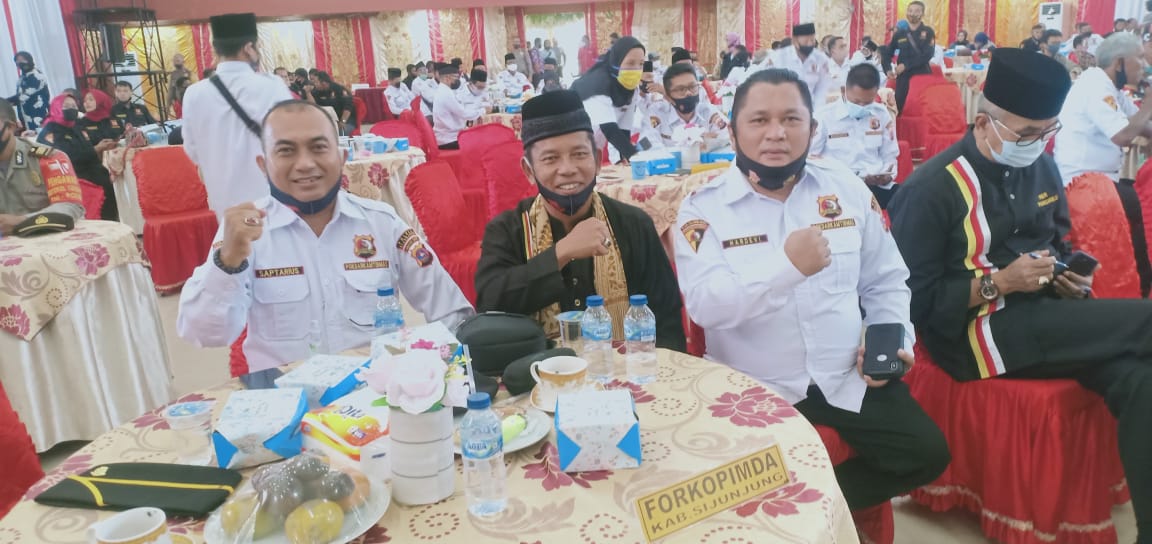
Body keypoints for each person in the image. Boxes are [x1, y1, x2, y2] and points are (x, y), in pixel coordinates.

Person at [888, 48, 1152, 544]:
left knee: (1141, 377)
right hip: (973, 333)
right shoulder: (930, 188)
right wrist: (1001, 282)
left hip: (1044, 311)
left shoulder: (1042, 166)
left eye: (1047, 131)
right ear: (983, 122)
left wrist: (1068, 275)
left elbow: (1058, 242)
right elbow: (913, 302)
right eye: (1027, 133)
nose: (1037, 143)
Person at [675, 68, 949, 511]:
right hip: (756, 387)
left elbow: (885, 279)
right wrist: (786, 269)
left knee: (928, 454)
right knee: (729, 486)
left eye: (791, 119)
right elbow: (706, 305)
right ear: (732, 131)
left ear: (813, 127)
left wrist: (892, 336)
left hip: (844, 375)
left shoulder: (845, 188)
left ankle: (811, 511)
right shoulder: (702, 209)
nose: (776, 133)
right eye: (759, 120)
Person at [178, 100, 473, 373]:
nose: (305, 163)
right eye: (286, 151)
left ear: (342, 157)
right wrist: (227, 263)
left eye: (318, 148)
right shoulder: (246, 234)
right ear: (263, 164)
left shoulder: (383, 224)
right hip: (286, 401)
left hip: (373, 396)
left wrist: (435, 375)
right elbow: (202, 333)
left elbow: (452, 313)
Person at [475, 90, 686, 351]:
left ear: (597, 161)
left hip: (626, 371)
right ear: (529, 170)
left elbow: (667, 324)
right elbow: (490, 306)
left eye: (579, 154)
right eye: (550, 159)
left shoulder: (633, 224)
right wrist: (561, 253)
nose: (567, 169)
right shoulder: (508, 230)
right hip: (539, 371)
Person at [1055, 33, 1152, 296]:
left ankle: (1141, 285)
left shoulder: (1112, 89)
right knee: (1139, 209)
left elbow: (1142, 125)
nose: (1145, 65)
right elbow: (1123, 136)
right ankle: (1135, 290)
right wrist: (1149, 103)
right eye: (1140, 58)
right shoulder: (1095, 86)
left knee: (1137, 204)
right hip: (1082, 185)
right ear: (1119, 62)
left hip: (1105, 182)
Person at [183, 13, 293, 216]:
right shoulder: (272, 86)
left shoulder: (194, 93)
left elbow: (192, 151)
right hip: (272, 199)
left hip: (224, 204)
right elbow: (294, 137)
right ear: (249, 48)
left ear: (216, 49)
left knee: (235, 238)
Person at [812, 63, 900, 208]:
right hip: (839, 187)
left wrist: (887, 176)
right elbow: (811, 158)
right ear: (844, 90)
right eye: (856, 102)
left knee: (910, 197)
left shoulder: (881, 114)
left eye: (867, 102)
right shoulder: (824, 117)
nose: (862, 107)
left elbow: (889, 154)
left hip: (875, 186)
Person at [0, 99, 84, 231]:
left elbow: (69, 206)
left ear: (10, 127)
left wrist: (23, 221)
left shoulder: (49, 158)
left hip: (46, 237)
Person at [37, 94, 117, 221]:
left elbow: (88, 148)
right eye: (66, 106)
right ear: (56, 108)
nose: (71, 109)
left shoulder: (76, 127)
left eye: (74, 106)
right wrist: (95, 149)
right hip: (72, 177)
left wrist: (102, 146)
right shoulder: (50, 131)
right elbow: (64, 156)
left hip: (94, 173)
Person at [571, 36, 646, 164]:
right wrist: (634, 156)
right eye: (630, 63)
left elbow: (624, 127)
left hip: (592, 143)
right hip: (570, 138)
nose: (636, 69)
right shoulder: (598, 83)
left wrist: (625, 156)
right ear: (617, 61)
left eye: (641, 64)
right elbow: (609, 128)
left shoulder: (630, 88)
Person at [639, 63, 728, 149]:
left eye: (692, 87)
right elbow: (645, 143)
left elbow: (728, 136)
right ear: (668, 96)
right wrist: (689, 146)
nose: (689, 93)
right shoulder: (656, 113)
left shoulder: (708, 111)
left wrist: (709, 143)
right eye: (681, 89)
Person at [882, 2, 935, 113]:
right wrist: (887, 69)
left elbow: (927, 55)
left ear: (923, 14)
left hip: (921, 75)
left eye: (917, 11)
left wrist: (906, 65)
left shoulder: (928, 32)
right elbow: (887, 53)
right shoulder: (900, 34)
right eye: (910, 11)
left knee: (922, 109)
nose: (912, 14)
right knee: (900, 108)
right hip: (903, 78)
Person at [776, 23, 836, 106]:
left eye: (812, 40)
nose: (809, 44)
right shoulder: (779, 58)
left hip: (811, 107)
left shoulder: (820, 59)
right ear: (795, 41)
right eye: (806, 41)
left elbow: (823, 88)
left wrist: (817, 111)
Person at [432, 63, 481, 150]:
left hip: (448, 136)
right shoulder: (445, 93)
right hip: (449, 140)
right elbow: (463, 114)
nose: (458, 80)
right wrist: (481, 112)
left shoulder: (444, 90)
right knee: (482, 140)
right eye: (456, 77)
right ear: (447, 78)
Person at [7, 52, 49, 132]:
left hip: (38, 117)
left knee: (40, 137)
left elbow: (23, 96)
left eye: (22, 60)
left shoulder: (36, 75)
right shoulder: (22, 77)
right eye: (17, 61)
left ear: (29, 60)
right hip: (26, 117)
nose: (20, 63)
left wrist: (5, 102)